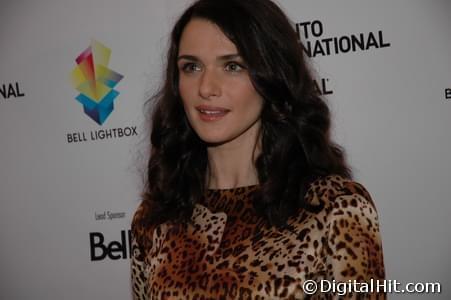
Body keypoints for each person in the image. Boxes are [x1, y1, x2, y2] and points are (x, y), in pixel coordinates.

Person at [131, 0, 385, 299]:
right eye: (192, 66)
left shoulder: (333, 209)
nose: (206, 87)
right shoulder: (155, 219)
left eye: (232, 66)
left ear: (271, 76)